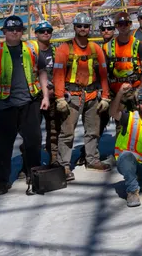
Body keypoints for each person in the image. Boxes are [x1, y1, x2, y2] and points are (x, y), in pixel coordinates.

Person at [0, 16, 51, 195]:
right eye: (10, 30)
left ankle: (34, 178)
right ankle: (3, 181)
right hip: (4, 106)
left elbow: (42, 72)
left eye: (17, 29)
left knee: (33, 143)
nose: (14, 32)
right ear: (4, 32)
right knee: (3, 146)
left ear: (22, 32)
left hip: (29, 103)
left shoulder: (31, 48)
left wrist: (45, 96)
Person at [52, 13, 111, 177]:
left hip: (92, 95)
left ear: (89, 28)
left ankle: (91, 160)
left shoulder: (95, 48)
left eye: (86, 26)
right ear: (75, 27)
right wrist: (59, 98)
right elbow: (58, 75)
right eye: (80, 26)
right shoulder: (65, 49)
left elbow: (103, 73)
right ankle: (64, 165)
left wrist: (105, 96)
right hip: (72, 96)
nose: (83, 29)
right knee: (67, 132)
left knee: (93, 131)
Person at [102, 12, 142, 140]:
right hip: (117, 92)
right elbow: (103, 72)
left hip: (135, 90)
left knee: (138, 124)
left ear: (130, 25)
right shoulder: (107, 47)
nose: (123, 26)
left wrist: (141, 89)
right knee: (121, 125)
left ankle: (140, 152)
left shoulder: (138, 44)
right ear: (116, 27)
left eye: (126, 24)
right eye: (120, 24)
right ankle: (121, 154)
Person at [30, 21, 62, 167]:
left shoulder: (56, 52)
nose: (46, 33)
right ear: (36, 34)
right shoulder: (30, 53)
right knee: (31, 132)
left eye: (48, 31)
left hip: (53, 96)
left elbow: (62, 73)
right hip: (34, 98)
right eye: (42, 31)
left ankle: (53, 158)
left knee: (54, 129)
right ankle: (29, 163)